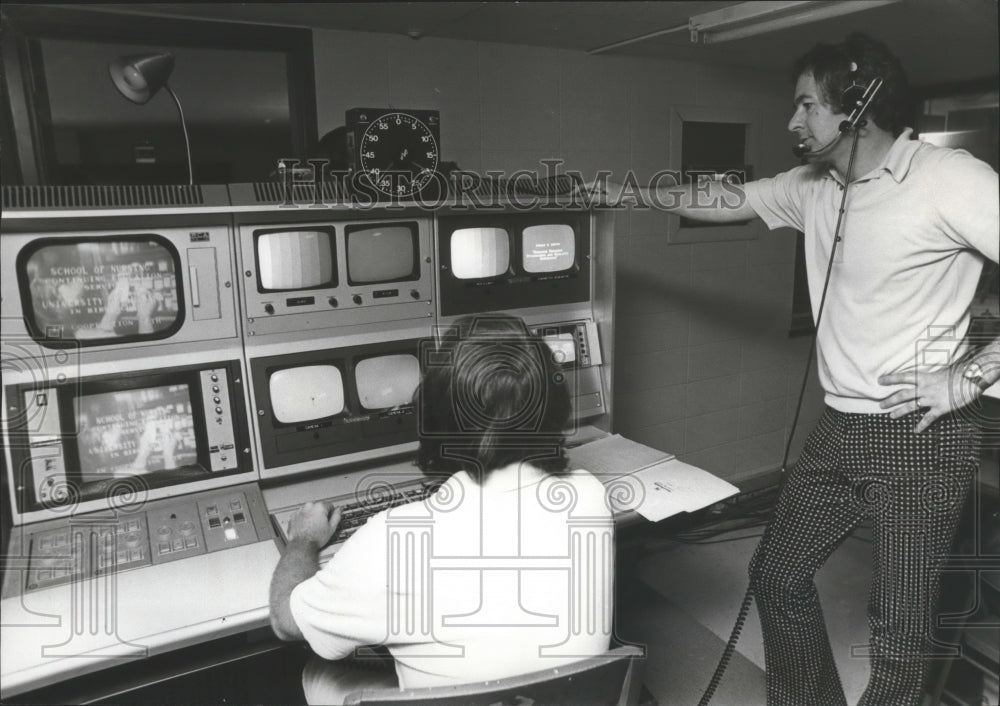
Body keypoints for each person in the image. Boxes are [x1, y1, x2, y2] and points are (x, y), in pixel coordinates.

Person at [590, 31, 998, 706]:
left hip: (922, 435)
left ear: (857, 106)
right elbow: (724, 200)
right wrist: (619, 192)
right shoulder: (815, 186)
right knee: (777, 575)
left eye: (806, 106)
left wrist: (972, 374)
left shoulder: (950, 179)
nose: (792, 122)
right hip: (840, 424)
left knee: (896, 634)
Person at [268, 314, 614, 705]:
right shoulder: (589, 496)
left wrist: (304, 541)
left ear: (435, 419)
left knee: (318, 672)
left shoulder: (390, 542)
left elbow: (284, 620)